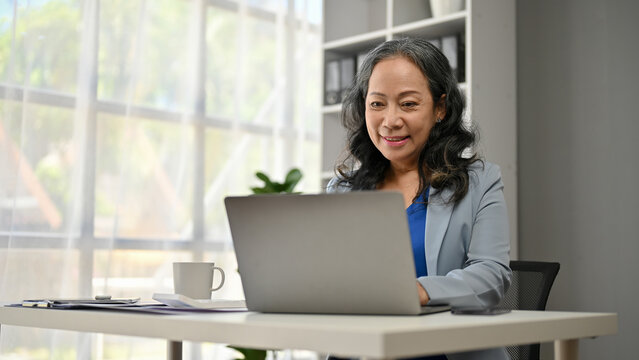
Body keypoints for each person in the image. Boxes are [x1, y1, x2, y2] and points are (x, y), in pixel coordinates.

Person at [326, 38, 511, 360]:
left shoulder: (480, 181)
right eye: (377, 104)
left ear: (440, 108)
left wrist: (420, 291)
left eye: (408, 104)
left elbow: (492, 275)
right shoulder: (341, 190)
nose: (390, 120)